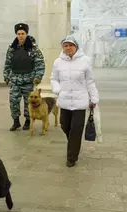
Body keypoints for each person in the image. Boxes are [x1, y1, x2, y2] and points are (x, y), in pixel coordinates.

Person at [50, 35, 99, 167]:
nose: (68, 48)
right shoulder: (57, 62)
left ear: (76, 47)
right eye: (65, 46)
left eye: (70, 45)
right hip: (64, 100)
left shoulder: (85, 61)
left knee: (76, 129)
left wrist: (93, 98)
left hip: (80, 102)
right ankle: (74, 143)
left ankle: (72, 157)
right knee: (65, 125)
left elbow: (90, 81)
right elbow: (54, 78)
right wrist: (57, 89)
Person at [3, 22, 45, 131]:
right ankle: (16, 122)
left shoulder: (33, 48)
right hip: (15, 80)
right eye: (18, 33)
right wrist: (6, 76)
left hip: (28, 80)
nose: (20, 35)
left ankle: (27, 121)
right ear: (16, 34)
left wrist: (38, 77)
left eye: (23, 33)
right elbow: (7, 63)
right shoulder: (12, 48)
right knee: (13, 102)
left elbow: (40, 63)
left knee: (29, 102)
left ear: (26, 34)